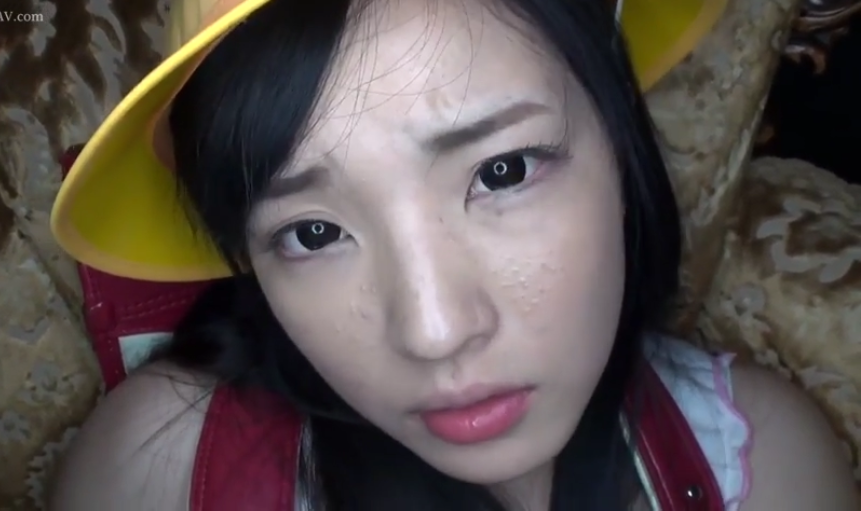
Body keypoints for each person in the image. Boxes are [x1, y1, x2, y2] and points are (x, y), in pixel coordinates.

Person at [47, 0, 858, 509]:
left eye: (500, 173)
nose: (433, 332)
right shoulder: (158, 468)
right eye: (312, 232)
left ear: (618, 144)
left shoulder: (762, 463)